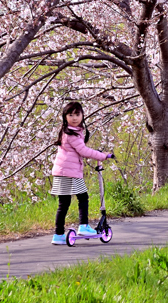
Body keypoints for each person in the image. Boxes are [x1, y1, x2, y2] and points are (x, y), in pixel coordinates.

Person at [50, 101, 113, 245]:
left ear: (82, 115)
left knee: (64, 204)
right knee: (83, 198)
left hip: (62, 172)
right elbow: (83, 151)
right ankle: (83, 226)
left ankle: (58, 235)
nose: (74, 118)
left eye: (77, 114)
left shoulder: (68, 131)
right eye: (70, 115)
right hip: (70, 173)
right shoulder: (71, 134)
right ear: (65, 117)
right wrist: (102, 155)